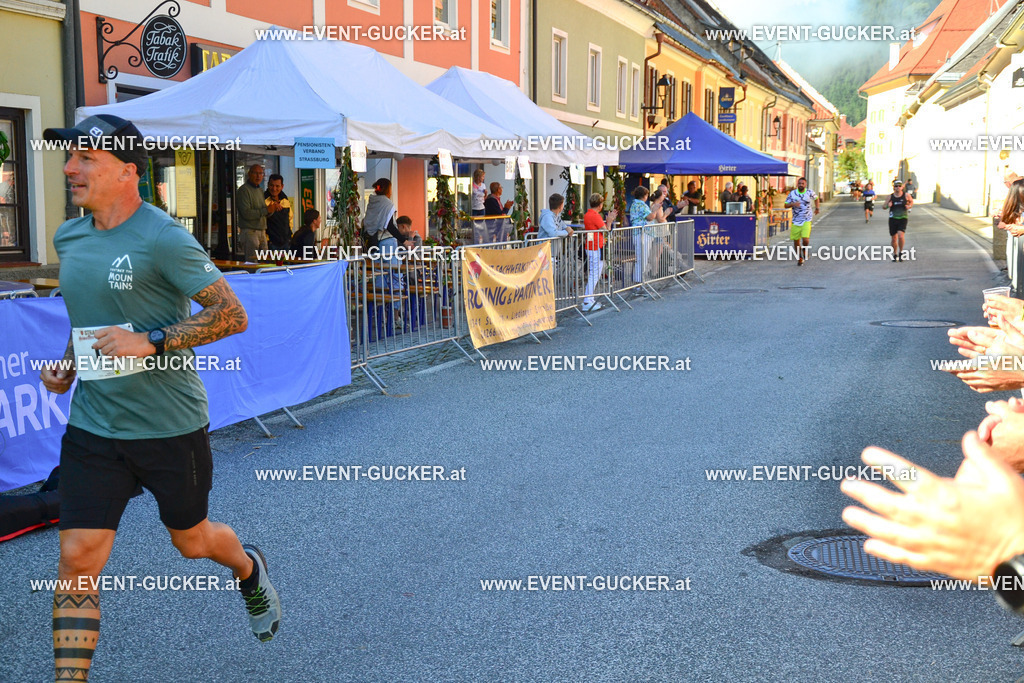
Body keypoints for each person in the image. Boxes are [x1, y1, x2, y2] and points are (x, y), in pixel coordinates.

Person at [39, 115, 280, 681]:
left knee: (192, 542)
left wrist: (149, 341)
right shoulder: (68, 236)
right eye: (70, 157)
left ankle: (248, 570)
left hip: (169, 425)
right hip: (95, 428)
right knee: (77, 560)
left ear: (127, 172)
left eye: (85, 159)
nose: (70, 168)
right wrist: (70, 367)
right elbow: (91, 318)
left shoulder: (163, 237)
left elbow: (232, 314)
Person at [237, 164, 280, 262]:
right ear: (249, 174)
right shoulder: (244, 190)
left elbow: (263, 211)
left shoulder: (260, 190)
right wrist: (266, 210)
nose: (258, 176)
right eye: (255, 173)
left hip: (262, 231)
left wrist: (272, 209)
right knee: (252, 262)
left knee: (265, 262)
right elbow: (246, 213)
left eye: (260, 173)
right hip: (250, 232)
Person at [629, 186, 666, 297]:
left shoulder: (634, 204)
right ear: (644, 196)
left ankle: (638, 284)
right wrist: (654, 210)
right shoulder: (641, 205)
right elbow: (650, 217)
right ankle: (638, 285)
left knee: (641, 259)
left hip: (639, 234)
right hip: (643, 235)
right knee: (642, 260)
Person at [582, 193, 616, 313]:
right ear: (600, 205)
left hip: (592, 245)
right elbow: (605, 230)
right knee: (595, 273)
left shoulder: (588, 214)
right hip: (596, 246)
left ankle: (589, 299)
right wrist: (609, 221)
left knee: (594, 272)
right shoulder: (595, 216)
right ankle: (587, 300)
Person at [784, 177, 819, 266]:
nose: (801, 185)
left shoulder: (809, 192)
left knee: (806, 239)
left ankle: (804, 249)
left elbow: (816, 198)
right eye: (799, 183)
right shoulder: (792, 194)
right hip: (796, 220)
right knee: (796, 240)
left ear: (805, 184)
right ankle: (799, 257)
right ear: (797, 184)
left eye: (802, 183)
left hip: (807, 219)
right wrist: (793, 204)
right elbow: (786, 205)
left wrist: (817, 208)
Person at [885, 179, 913, 262]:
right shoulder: (890, 196)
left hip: (903, 218)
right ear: (894, 187)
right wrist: (887, 206)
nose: (898, 187)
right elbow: (884, 206)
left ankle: (901, 252)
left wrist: (909, 206)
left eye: (899, 186)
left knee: (901, 236)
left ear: (902, 187)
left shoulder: (906, 195)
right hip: (893, 219)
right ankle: (895, 253)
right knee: (894, 238)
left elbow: (911, 202)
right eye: (896, 186)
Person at [264, 174, 291, 252]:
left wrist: (289, 237)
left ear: (282, 186)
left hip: (286, 243)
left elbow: (290, 219)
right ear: (268, 185)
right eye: (271, 185)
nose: (274, 189)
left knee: (286, 264)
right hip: (270, 244)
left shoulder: (285, 201)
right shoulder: (262, 200)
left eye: (277, 186)